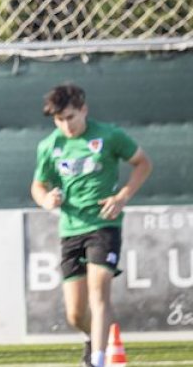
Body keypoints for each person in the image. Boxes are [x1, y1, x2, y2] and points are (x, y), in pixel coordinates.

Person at [30, 84, 151, 367]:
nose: (66, 125)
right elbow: (38, 185)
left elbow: (143, 163)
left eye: (70, 117)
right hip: (71, 229)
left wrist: (122, 197)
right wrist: (46, 199)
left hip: (104, 226)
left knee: (99, 294)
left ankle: (97, 360)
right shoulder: (50, 146)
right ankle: (94, 340)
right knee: (74, 313)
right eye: (59, 120)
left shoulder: (109, 135)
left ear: (83, 110)